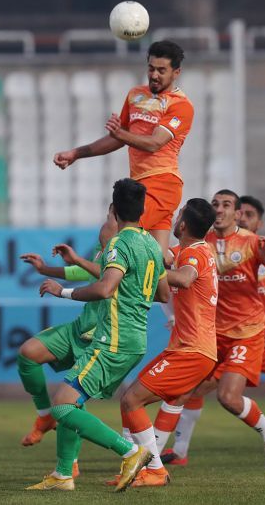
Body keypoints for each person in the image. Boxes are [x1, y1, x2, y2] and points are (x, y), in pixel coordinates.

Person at [157, 195, 265, 468]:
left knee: (239, 396)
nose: (219, 209)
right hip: (214, 335)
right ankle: (169, 455)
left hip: (250, 333)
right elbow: (167, 257)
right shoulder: (201, 243)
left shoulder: (254, 243)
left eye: (226, 205)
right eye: (215, 204)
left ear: (237, 214)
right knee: (186, 390)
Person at [26, 178, 170, 492]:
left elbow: (105, 288)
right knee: (71, 400)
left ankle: (131, 452)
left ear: (115, 210)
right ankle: (63, 474)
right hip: (134, 339)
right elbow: (163, 294)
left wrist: (63, 292)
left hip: (113, 339)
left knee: (62, 406)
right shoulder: (151, 245)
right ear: (142, 210)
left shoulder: (119, 244)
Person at [53, 40, 194, 264]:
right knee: (156, 261)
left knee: (112, 228)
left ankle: (107, 278)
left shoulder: (180, 105)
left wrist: (121, 134)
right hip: (139, 182)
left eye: (161, 70)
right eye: (151, 68)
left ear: (176, 72)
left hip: (162, 182)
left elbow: (154, 143)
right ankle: (192, 266)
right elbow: (118, 138)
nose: (154, 75)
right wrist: (76, 153)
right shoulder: (135, 95)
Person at [111, 198, 217, 488]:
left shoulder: (196, 254)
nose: (175, 219)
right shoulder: (188, 250)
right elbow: (159, 256)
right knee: (129, 399)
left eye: (178, 215)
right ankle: (135, 469)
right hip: (186, 348)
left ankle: (155, 470)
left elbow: (184, 279)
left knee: (132, 400)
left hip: (193, 351)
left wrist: (143, 271)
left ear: (182, 225)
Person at [16, 207, 119, 478]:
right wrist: (44, 269)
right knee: (28, 352)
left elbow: (104, 280)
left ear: (120, 220)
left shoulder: (127, 249)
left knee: (71, 400)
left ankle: (69, 463)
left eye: (109, 216)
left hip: (101, 339)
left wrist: (63, 291)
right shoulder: (103, 248)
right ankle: (44, 416)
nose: (104, 222)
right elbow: (84, 272)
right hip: (79, 329)